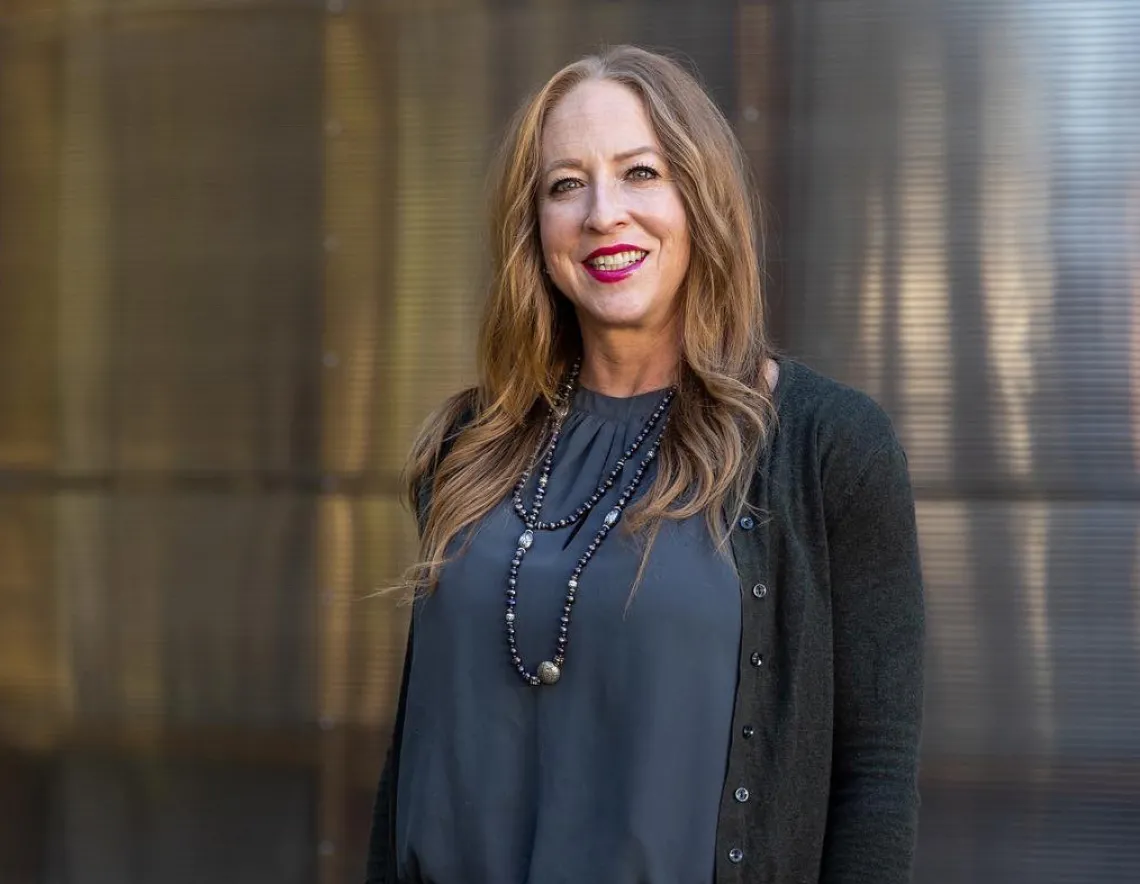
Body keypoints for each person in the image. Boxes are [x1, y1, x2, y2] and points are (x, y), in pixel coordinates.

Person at [366, 45, 924, 884]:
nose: (602, 214)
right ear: (536, 226)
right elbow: (415, 750)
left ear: (700, 197)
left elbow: (874, 781)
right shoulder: (468, 446)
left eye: (640, 173)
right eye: (565, 185)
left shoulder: (825, 446)